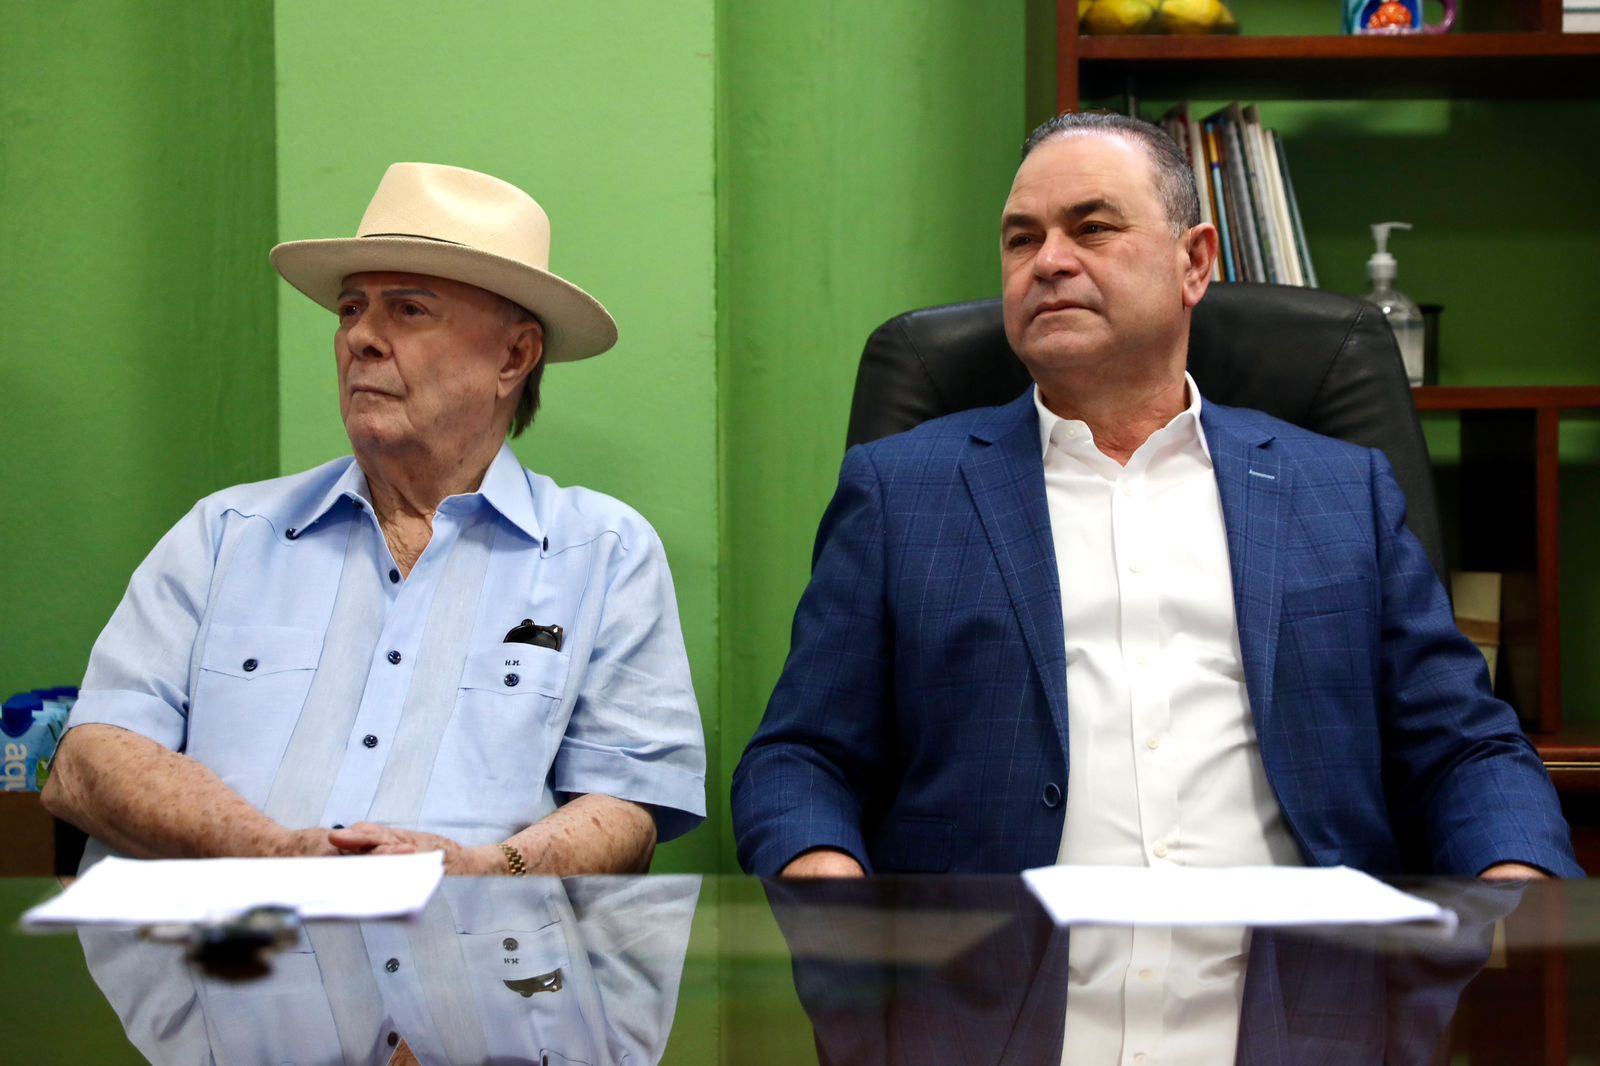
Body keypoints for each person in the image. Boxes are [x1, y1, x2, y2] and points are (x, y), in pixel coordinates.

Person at [731, 112, 1579, 883]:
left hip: (1303, 971)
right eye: (1022, 239)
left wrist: (1518, 893)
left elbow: (1467, 749)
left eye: (1092, 228)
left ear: (1194, 263)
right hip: (996, 973)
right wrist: (831, 894)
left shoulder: (1339, 489)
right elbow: (801, 758)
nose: (1048, 261)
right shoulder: (901, 491)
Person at [44, 162, 706, 875]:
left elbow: (628, 807)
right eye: (351, 309)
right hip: (227, 938)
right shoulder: (226, 533)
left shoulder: (601, 553)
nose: (361, 336)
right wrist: (278, 854)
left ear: (514, 356)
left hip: (474, 938)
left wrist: (478, 871)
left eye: (409, 310)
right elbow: (88, 761)